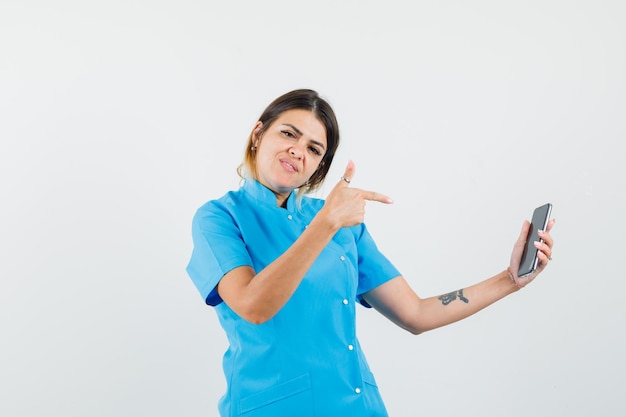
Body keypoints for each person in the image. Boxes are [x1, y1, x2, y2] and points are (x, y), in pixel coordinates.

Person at [186, 89, 555, 417]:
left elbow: (415, 313)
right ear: (258, 134)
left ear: (319, 166)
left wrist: (510, 280)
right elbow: (253, 306)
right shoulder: (219, 218)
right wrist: (325, 224)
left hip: (358, 407)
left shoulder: (341, 223)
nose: (298, 151)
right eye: (288, 133)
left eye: (315, 149)